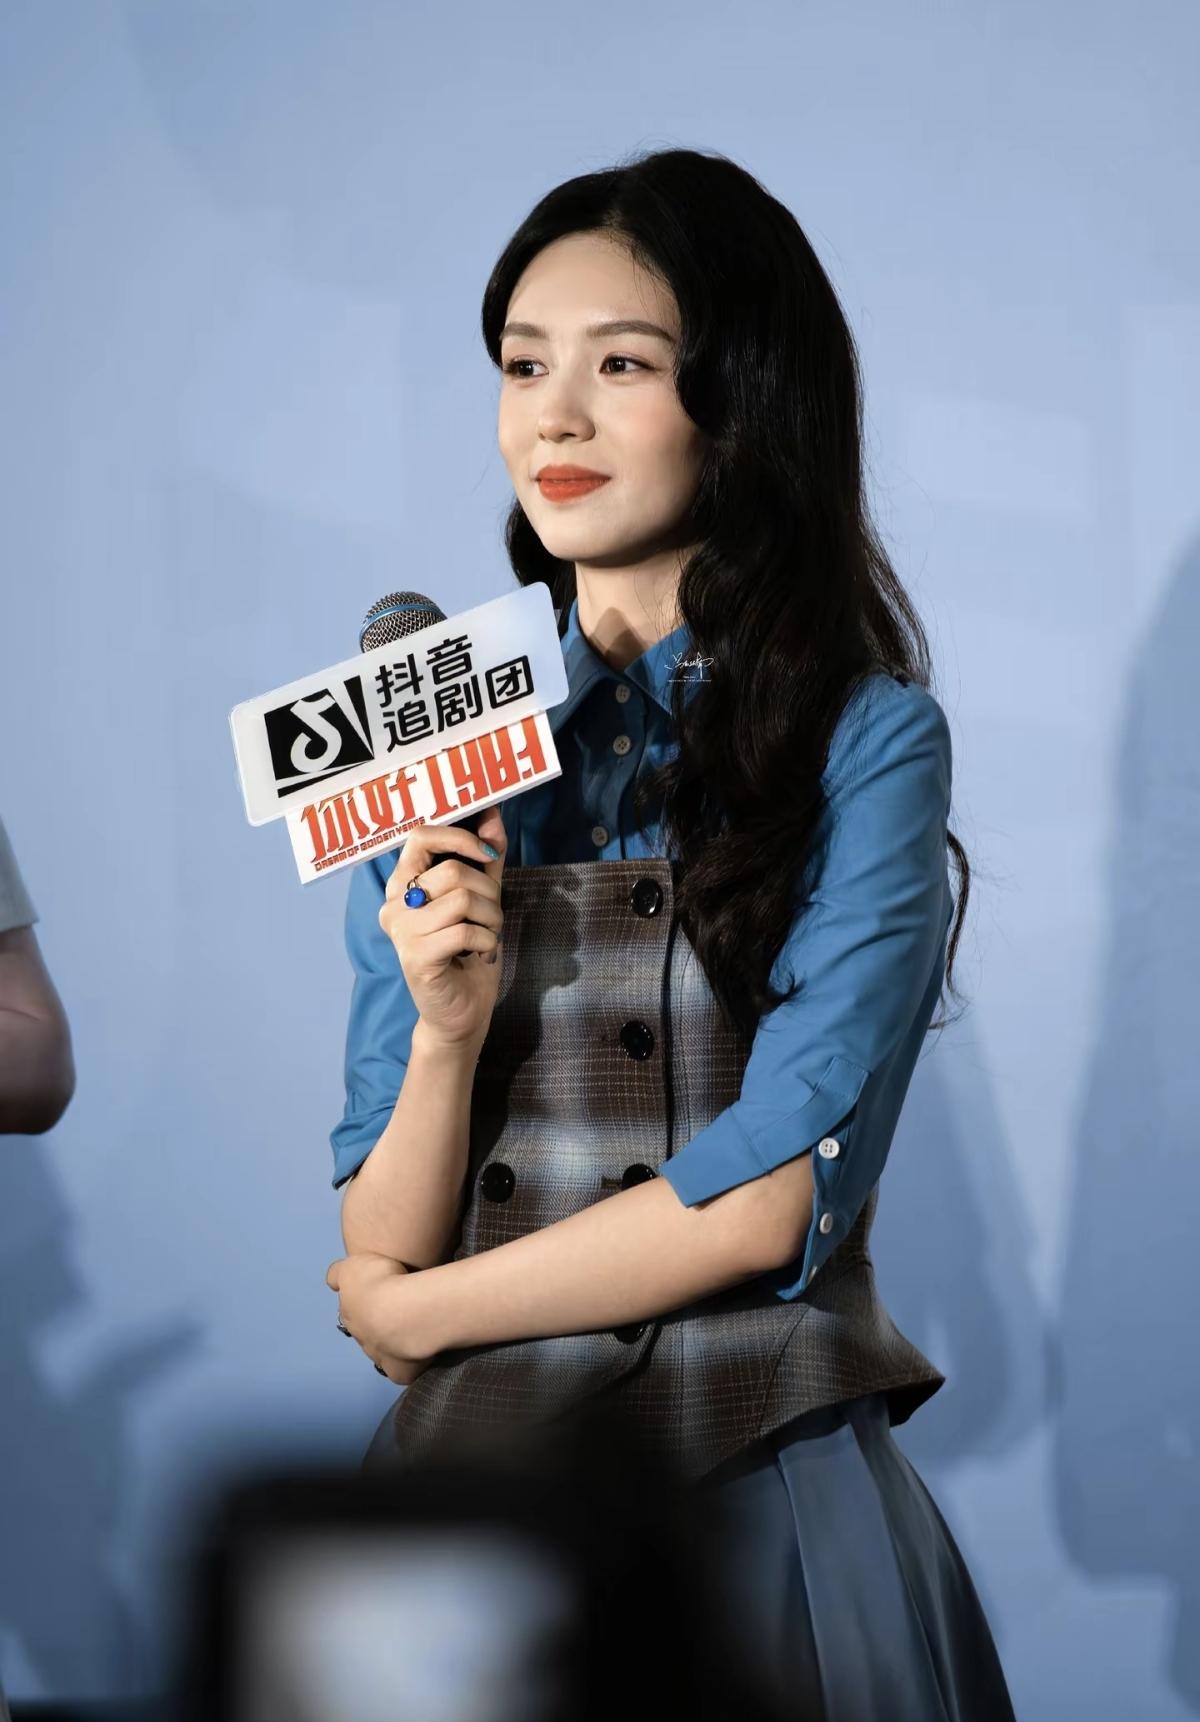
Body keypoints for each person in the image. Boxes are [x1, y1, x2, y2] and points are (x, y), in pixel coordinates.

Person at [326, 147, 1018, 1720]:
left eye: (622, 365)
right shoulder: (438, 742)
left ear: (743, 399)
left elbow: (768, 1201)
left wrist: (425, 1313)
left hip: (755, 1487)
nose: (553, 420)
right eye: (524, 367)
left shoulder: (865, 739)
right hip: (476, 1514)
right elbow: (380, 1229)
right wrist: (445, 1029)